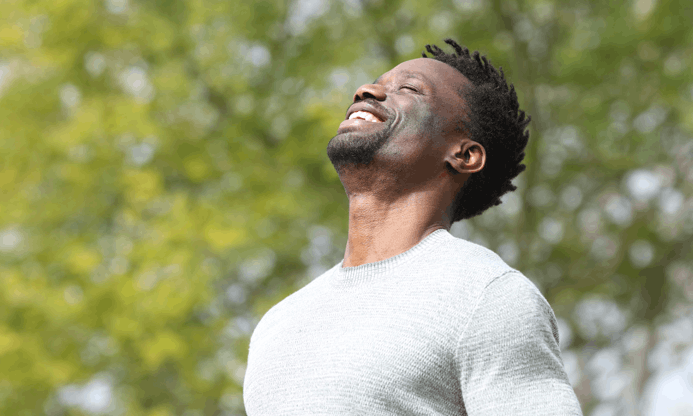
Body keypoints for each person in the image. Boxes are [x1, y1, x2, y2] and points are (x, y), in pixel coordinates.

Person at [242, 39, 582, 415]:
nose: (366, 91)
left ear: (464, 154)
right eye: (375, 83)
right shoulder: (280, 322)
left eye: (408, 89)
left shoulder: (487, 297)